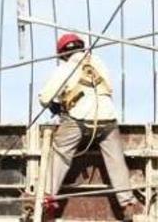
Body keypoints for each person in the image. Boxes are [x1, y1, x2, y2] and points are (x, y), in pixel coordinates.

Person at [37, 33, 145, 220]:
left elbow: (45, 97)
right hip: (107, 120)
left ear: (63, 54)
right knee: (116, 161)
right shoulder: (99, 63)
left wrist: (55, 105)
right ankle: (127, 202)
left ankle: (47, 197)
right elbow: (108, 89)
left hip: (79, 120)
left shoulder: (66, 67)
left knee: (60, 154)